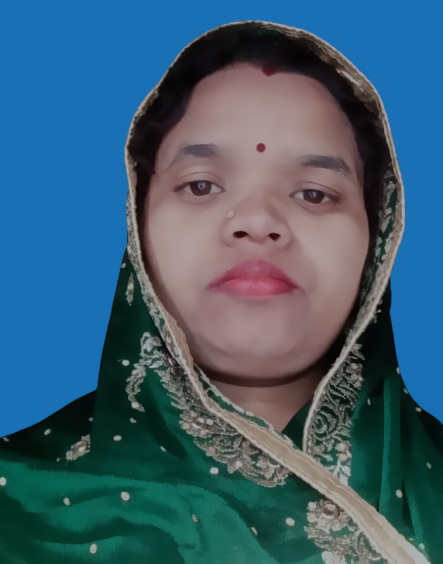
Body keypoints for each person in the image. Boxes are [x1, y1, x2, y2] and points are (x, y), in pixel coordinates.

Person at [0, 20, 441, 564]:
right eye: (201, 185)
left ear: (378, 239)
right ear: (138, 227)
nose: (257, 221)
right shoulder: (14, 507)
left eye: (313, 193)